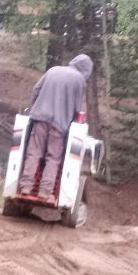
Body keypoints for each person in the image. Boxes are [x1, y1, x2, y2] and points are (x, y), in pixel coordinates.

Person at [20, 54, 93, 201]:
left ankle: (26, 186)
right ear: (86, 70)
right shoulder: (79, 80)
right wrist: (72, 123)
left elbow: (36, 89)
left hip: (40, 119)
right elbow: (77, 107)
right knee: (53, 157)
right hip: (60, 124)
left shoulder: (53, 70)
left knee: (33, 153)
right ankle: (45, 191)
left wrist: (35, 107)